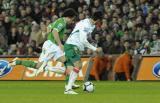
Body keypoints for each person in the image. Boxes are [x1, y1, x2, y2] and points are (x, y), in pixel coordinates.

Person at [9, 8, 79, 86]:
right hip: (52, 46)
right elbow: (55, 31)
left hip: (51, 45)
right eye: (72, 19)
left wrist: (45, 33)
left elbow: (49, 28)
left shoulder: (59, 21)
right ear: (69, 17)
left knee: (66, 62)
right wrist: (60, 44)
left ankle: (18, 62)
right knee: (66, 61)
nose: (72, 21)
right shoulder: (62, 22)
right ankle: (22, 62)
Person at [64, 11, 103, 94]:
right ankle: (68, 89)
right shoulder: (85, 25)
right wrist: (95, 49)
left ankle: (69, 86)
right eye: (101, 20)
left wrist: (92, 40)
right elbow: (83, 40)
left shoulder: (91, 25)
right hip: (72, 45)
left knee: (72, 67)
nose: (101, 22)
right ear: (97, 20)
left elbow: (86, 36)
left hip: (73, 45)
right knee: (78, 65)